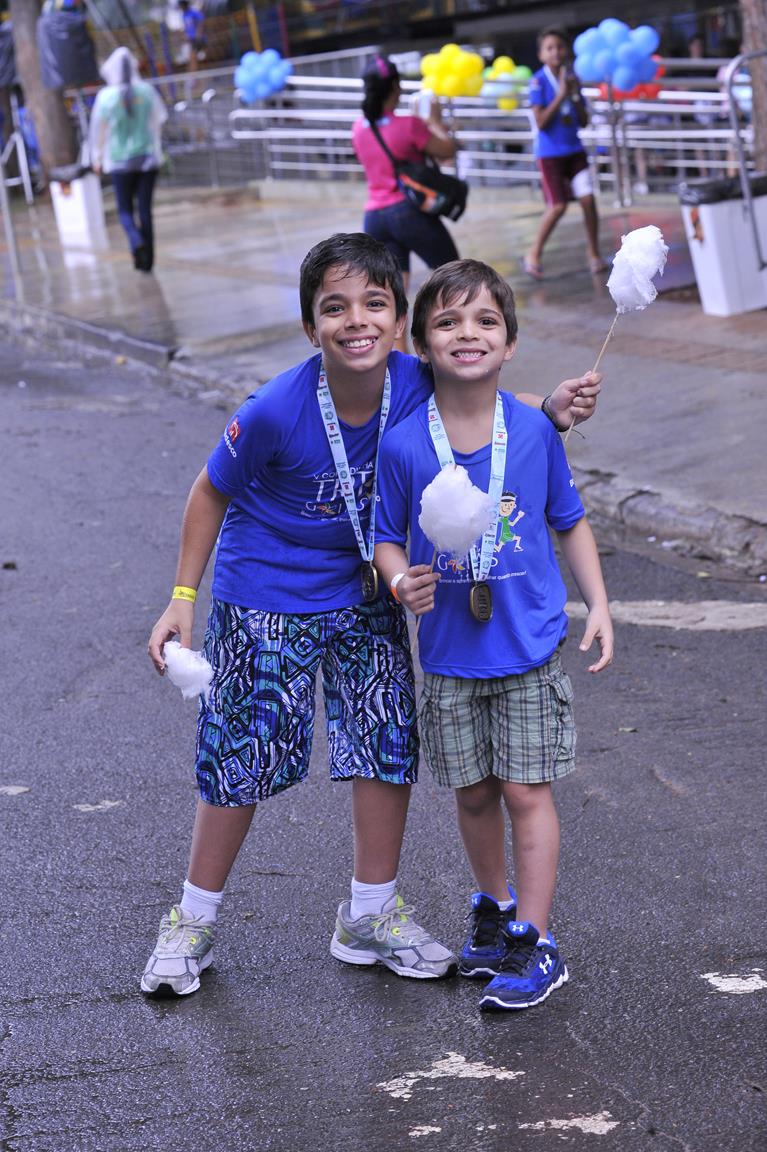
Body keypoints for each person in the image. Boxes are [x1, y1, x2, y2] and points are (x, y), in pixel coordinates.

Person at [140, 232, 601, 997]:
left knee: (382, 740)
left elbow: (489, 405)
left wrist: (549, 409)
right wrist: (182, 599)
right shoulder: (275, 408)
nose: (355, 321)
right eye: (334, 308)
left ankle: (370, 913)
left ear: (397, 323)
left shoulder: (414, 379)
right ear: (309, 326)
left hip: (370, 586)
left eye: (374, 304)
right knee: (242, 752)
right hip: (268, 590)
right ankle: (192, 919)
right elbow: (209, 491)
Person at [374, 259, 613, 1011]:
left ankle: (535, 940)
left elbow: (569, 521)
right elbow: (386, 538)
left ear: (509, 343)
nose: (467, 333)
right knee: (474, 795)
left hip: (528, 648)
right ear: (421, 346)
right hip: (448, 657)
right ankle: (494, 907)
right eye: (447, 322)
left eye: (485, 321)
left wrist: (598, 605)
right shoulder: (404, 444)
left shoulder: (535, 431)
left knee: (524, 792)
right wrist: (397, 580)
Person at [352, 55, 459, 348]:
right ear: (395, 87)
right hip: (409, 213)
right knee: (455, 277)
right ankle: (453, 346)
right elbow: (447, 150)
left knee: (392, 296)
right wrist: (434, 121)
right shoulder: (410, 125)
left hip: (375, 218)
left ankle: (402, 362)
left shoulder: (359, 128)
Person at [523, 26, 606, 279]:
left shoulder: (572, 79)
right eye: (549, 48)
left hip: (574, 150)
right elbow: (541, 122)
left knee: (588, 199)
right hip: (550, 154)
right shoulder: (537, 81)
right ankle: (534, 253)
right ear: (541, 54)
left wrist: (575, 96)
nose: (556, 52)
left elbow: (584, 121)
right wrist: (560, 95)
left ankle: (593, 253)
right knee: (557, 206)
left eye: (559, 47)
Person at [89, 47, 167, 272]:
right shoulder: (146, 91)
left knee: (125, 210)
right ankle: (147, 260)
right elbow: (159, 119)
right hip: (147, 158)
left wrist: (97, 157)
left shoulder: (106, 97)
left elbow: (99, 130)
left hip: (120, 161)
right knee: (145, 211)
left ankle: (135, 240)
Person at [178, 0, 206, 70]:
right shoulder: (184, 15)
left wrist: (198, 34)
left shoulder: (193, 13)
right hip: (190, 39)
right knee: (191, 56)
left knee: (193, 55)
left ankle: (193, 72)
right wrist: (184, 35)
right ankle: (193, 71)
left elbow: (201, 22)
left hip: (197, 38)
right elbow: (186, 27)